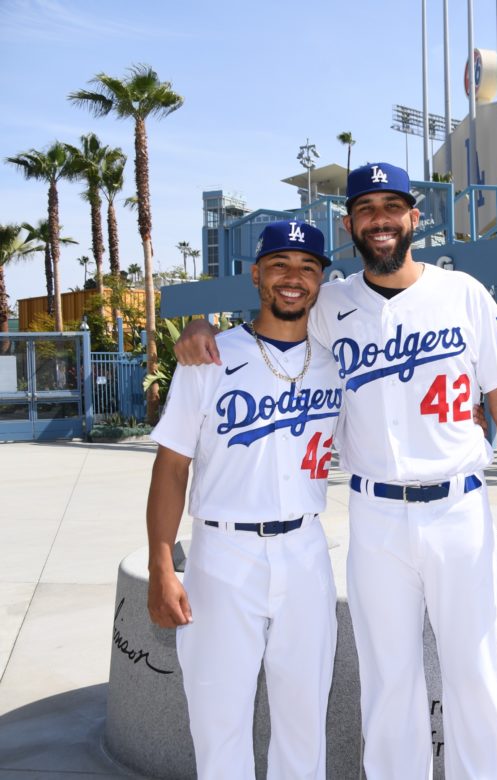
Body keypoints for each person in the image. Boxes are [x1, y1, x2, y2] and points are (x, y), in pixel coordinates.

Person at [175, 162, 497, 779]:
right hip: (376, 516)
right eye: (365, 209)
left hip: (459, 506)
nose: (379, 219)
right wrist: (195, 329)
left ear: (414, 217)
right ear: (351, 225)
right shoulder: (331, 304)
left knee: (474, 671)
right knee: (389, 681)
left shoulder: (461, 292)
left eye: (391, 206)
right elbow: (263, 318)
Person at [147, 220, 340, 778]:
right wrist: (163, 563)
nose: (293, 279)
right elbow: (172, 465)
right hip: (222, 555)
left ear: (320, 280)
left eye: (307, 268)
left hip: (306, 550)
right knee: (219, 722)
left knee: (305, 721)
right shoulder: (208, 357)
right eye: (280, 265)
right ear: (256, 275)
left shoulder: (333, 363)